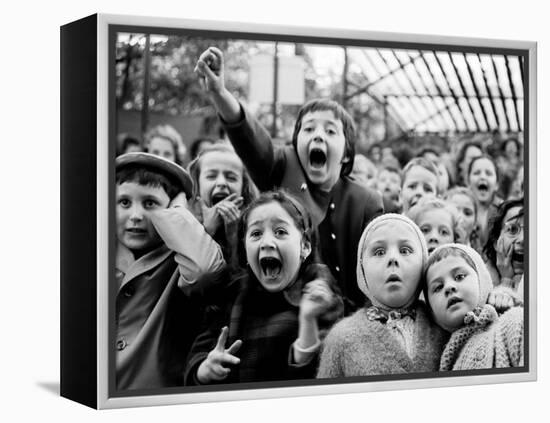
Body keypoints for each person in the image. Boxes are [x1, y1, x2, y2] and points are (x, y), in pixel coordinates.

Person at [194, 46, 383, 313]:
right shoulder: (282, 165)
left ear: (347, 152)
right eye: (308, 129)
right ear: (295, 144)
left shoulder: (366, 201)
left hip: (347, 320)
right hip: (282, 316)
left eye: (330, 130)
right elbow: (252, 139)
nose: (318, 135)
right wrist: (220, 93)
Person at [184, 191, 343, 385]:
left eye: (280, 232)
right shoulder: (233, 293)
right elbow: (198, 354)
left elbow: (326, 376)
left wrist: (307, 321)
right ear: (245, 249)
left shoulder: (320, 292)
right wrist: (205, 369)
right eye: (256, 233)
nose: (267, 243)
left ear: (305, 247)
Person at [114, 152, 225, 390]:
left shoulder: (179, 259)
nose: (135, 216)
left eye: (150, 203)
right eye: (124, 202)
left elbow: (204, 271)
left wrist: (178, 211)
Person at [317, 214, 447, 378]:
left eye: (405, 250)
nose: (393, 258)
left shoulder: (443, 322)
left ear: (423, 262)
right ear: (362, 269)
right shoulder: (341, 338)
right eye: (379, 252)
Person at [424, 244, 523, 370]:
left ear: (482, 282)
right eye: (438, 287)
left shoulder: (512, 322)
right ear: (431, 311)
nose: (449, 287)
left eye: (459, 277)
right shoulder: (435, 360)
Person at [187, 144, 258, 265]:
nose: (221, 183)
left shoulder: (254, 226)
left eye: (231, 178)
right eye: (211, 176)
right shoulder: (184, 222)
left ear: (244, 187)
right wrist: (207, 231)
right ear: (197, 185)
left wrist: (233, 236)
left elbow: (241, 277)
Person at [483, 198, 525, 307]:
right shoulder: (480, 282)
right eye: (512, 230)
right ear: (496, 242)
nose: (522, 239)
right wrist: (506, 281)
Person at [467, 155, 501, 248]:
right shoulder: (460, 211)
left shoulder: (504, 211)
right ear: (468, 182)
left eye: (488, 173)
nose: (482, 176)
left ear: (497, 184)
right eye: (477, 173)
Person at [444, 187, 482, 252]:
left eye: (467, 213)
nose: (460, 217)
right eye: (454, 210)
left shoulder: (482, 258)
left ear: (475, 223)